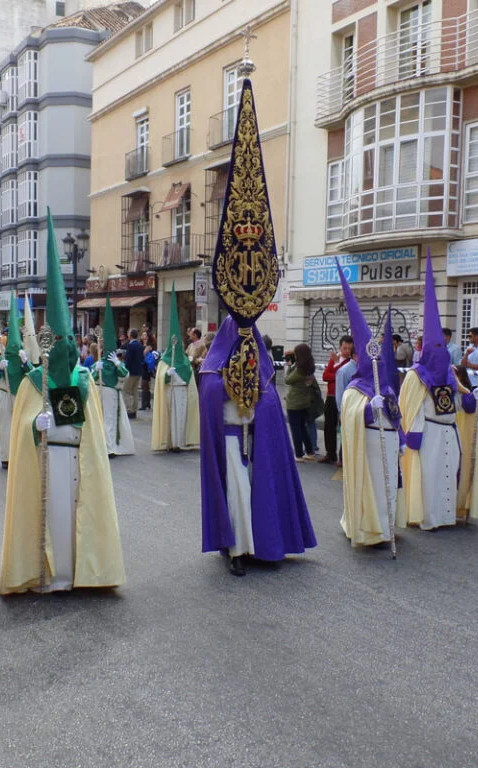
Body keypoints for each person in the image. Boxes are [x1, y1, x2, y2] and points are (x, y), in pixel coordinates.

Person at [199, 76, 317, 577]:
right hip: (229, 438)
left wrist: (258, 399)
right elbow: (210, 391)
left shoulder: (266, 368)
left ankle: (263, 542)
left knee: (257, 485)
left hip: (251, 437)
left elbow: (268, 394)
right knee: (238, 493)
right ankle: (236, 548)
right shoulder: (212, 368)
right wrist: (228, 389)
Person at [0, 214, 125, 594]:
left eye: (73, 344)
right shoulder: (33, 383)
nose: (69, 351)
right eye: (62, 344)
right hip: (47, 459)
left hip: (78, 458)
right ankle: (52, 574)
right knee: (52, 516)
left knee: (77, 516)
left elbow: (95, 431)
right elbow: (22, 432)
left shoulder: (84, 379)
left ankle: (80, 573)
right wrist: (30, 429)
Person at [399, 262, 478, 531]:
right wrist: (415, 432)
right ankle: (427, 518)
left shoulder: (450, 375)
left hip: (450, 431)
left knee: (448, 475)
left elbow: (461, 405)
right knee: (430, 476)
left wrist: (470, 398)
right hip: (430, 433)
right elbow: (415, 406)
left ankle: (445, 516)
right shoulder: (416, 376)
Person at [335, 270, 405, 549]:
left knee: (387, 487)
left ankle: (386, 529)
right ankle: (367, 527)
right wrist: (366, 409)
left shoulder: (386, 386)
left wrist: (400, 437)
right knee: (371, 487)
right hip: (369, 444)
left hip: (388, 443)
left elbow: (396, 413)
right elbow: (347, 413)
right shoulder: (355, 387)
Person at [152, 289, 200, 452]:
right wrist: (167, 375)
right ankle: (170, 441)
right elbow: (160, 379)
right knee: (170, 417)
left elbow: (190, 380)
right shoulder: (165, 361)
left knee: (181, 417)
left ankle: (180, 442)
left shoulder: (185, 362)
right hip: (169, 391)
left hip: (182, 392)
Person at [0, 294, 30, 470]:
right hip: (4, 394)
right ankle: (6, 457)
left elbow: (33, 376)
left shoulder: (22, 357)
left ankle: (19, 455)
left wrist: (25, 363)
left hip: (19, 395)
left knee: (20, 426)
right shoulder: (0, 359)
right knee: (5, 427)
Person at [94, 297, 135, 456]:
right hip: (99, 391)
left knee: (110, 420)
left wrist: (117, 363)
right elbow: (91, 377)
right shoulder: (99, 362)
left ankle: (110, 447)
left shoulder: (115, 363)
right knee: (99, 419)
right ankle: (101, 445)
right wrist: (95, 369)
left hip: (111, 392)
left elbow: (125, 374)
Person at [453, 365, 478, 522]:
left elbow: (470, 407)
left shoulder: (467, 393)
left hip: (464, 434)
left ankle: (460, 505)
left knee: (462, 469)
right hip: (451, 433)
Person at [321, 335, 353, 464]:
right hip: (330, 396)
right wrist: (336, 367)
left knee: (343, 428)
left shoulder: (350, 362)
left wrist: (336, 369)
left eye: (349, 349)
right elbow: (325, 376)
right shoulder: (335, 359)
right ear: (340, 346)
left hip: (343, 396)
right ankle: (330, 453)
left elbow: (343, 375)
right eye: (344, 348)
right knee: (329, 425)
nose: (347, 351)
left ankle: (342, 457)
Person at [285, 343, 319, 461]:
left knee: (296, 429)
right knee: (303, 428)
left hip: (294, 403)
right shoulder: (309, 368)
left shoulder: (299, 371)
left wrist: (289, 366)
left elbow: (287, 380)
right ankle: (310, 451)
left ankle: (299, 454)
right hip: (304, 402)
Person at [123, 328, 144, 419]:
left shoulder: (131, 345)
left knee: (126, 391)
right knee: (135, 391)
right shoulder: (140, 345)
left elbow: (128, 359)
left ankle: (129, 409)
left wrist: (125, 370)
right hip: (138, 371)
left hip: (131, 371)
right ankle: (134, 410)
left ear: (130, 335)